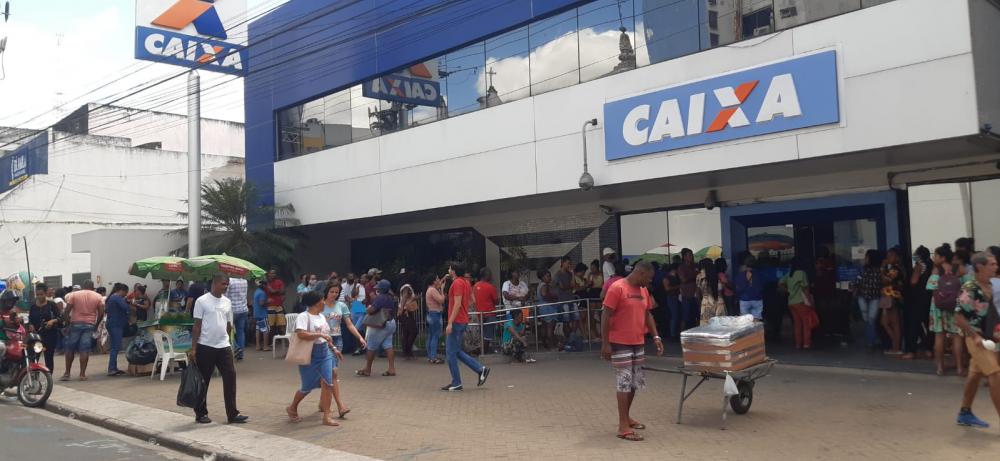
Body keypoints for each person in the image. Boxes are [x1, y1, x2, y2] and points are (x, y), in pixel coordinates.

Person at [601, 261, 664, 442]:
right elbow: (606, 315)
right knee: (624, 383)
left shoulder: (643, 291)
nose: (650, 282)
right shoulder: (617, 288)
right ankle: (623, 427)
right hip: (620, 343)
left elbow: (647, 314)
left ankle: (626, 418)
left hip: (638, 342)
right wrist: (606, 344)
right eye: (649, 278)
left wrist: (656, 336)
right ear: (640, 273)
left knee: (634, 383)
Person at [190, 274, 247, 425]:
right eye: (223, 284)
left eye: (227, 284)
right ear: (214, 283)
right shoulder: (202, 301)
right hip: (205, 346)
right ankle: (201, 413)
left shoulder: (227, 302)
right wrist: (194, 348)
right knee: (204, 381)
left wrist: (227, 341)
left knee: (230, 377)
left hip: (223, 346)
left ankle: (232, 414)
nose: (226, 286)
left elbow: (229, 324)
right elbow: (197, 326)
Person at [286, 290, 346, 427]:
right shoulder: (303, 316)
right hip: (310, 354)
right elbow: (301, 334)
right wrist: (319, 335)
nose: (324, 303)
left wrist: (334, 348)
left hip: (325, 353)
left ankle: (327, 416)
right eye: (322, 300)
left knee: (328, 383)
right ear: (316, 303)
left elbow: (327, 336)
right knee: (307, 386)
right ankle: (292, 407)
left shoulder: (321, 317)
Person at [954, 252, 1000, 429]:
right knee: (995, 374)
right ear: (980, 267)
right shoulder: (970, 288)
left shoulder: (990, 286)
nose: (996, 267)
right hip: (975, 338)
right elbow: (958, 317)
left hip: (988, 337)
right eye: (992, 264)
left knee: (975, 375)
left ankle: (965, 413)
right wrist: (975, 336)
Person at [442, 263, 490, 391]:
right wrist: (464, 308)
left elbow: (457, 303)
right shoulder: (466, 282)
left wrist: (450, 322)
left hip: (457, 321)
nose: (448, 270)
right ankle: (480, 369)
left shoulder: (457, 283)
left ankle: (456, 382)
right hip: (462, 319)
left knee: (450, 353)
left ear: (454, 271)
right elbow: (472, 300)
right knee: (456, 351)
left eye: (450, 268)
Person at [927, 243, 965, 375]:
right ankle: (960, 368)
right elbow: (966, 285)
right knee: (957, 336)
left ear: (943, 258)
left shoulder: (936, 270)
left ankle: (940, 368)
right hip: (955, 306)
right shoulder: (959, 269)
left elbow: (931, 288)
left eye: (936, 256)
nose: (934, 258)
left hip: (938, 307)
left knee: (939, 336)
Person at [62, 280, 105, 381]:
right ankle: (82, 374)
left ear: (83, 286)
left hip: (75, 324)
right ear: (92, 287)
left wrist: (67, 325)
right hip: (89, 325)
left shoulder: (74, 295)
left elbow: (67, 311)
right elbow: (101, 313)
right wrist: (96, 324)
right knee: (84, 350)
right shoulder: (98, 296)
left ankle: (67, 373)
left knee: (70, 349)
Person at [357, 279, 397, 377]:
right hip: (391, 322)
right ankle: (391, 369)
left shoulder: (380, 298)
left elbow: (371, 310)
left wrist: (367, 309)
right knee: (388, 345)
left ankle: (367, 369)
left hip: (380, 324)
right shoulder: (390, 297)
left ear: (380, 289)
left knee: (371, 347)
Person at [902, 246, 933, 360]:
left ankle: (911, 351)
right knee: (929, 325)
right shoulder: (931, 266)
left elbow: (913, 281)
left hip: (917, 300)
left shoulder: (920, 266)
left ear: (919, 256)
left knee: (914, 325)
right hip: (929, 299)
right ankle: (929, 350)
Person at [780, 258, 814, 349]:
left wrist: (788, 291)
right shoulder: (802, 273)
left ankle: (798, 344)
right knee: (806, 323)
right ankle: (806, 344)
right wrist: (809, 301)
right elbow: (805, 288)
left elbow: (780, 283)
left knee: (797, 324)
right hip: (801, 301)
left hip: (791, 302)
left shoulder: (789, 274)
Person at [322, 284, 366, 352]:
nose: (334, 294)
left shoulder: (342, 305)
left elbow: (350, 325)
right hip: (322, 338)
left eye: (336, 292)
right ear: (326, 292)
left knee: (335, 359)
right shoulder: (319, 304)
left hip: (337, 338)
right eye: (331, 292)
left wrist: (360, 337)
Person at [854, 250, 883, 351]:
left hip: (873, 298)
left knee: (870, 319)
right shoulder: (863, 269)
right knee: (868, 320)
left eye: (866, 257)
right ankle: (874, 340)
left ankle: (871, 342)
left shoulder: (879, 270)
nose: (865, 259)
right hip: (864, 297)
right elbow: (857, 281)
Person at [27, 283, 60, 370]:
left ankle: (49, 376)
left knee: (48, 358)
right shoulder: (33, 306)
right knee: (34, 357)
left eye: (41, 294)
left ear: (45, 294)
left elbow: (60, 318)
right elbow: (30, 319)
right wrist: (30, 325)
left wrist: (52, 321)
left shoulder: (51, 305)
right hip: (37, 336)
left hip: (50, 336)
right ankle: (34, 375)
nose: (39, 296)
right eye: (37, 295)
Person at [881, 247, 905, 355]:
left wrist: (882, 268)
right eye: (887, 256)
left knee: (895, 323)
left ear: (897, 257)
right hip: (888, 296)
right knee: (885, 322)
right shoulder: (893, 268)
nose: (888, 258)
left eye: (890, 256)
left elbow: (886, 280)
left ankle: (896, 347)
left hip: (893, 297)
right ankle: (896, 344)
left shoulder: (896, 268)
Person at [105, 283, 131, 376]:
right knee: (115, 347)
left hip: (112, 323)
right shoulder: (117, 298)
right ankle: (112, 368)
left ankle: (113, 367)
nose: (126, 295)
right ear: (122, 291)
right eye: (126, 292)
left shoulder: (112, 297)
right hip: (116, 324)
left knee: (114, 347)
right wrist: (128, 303)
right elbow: (126, 307)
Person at [474, 267, 499, 353]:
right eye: (490, 274)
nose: (491, 276)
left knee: (483, 334)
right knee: (488, 336)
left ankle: (482, 351)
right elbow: (496, 301)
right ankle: (484, 352)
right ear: (487, 275)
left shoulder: (475, 286)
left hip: (479, 314)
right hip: (490, 313)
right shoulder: (491, 287)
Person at [697, 259, 727, 325]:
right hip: (719, 301)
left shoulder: (699, 276)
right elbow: (721, 288)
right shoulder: (717, 274)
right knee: (720, 325)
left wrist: (699, 302)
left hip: (706, 303)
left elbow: (698, 291)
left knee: (706, 326)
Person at [226, 277, 250, 361]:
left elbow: (225, 295)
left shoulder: (229, 281)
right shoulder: (245, 281)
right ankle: (240, 354)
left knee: (226, 330)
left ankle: (236, 348)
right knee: (240, 332)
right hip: (243, 309)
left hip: (232, 310)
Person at [735, 255, 764, 321]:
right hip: (757, 299)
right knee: (756, 321)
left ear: (745, 264)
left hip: (744, 300)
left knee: (745, 322)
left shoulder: (740, 275)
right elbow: (762, 287)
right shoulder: (760, 274)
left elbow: (738, 289)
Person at [425, 274, 446, 364]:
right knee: (435, 336)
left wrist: (443, 279)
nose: (438, 280)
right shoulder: (433, 290)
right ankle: (433, 357)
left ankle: (430, 356)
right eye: (437, 279)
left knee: (431, 335)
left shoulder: (429, 289)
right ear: (433, 281)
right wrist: (442, 290)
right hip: (435, 314)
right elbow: (441, 300)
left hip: (431, 313)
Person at [536, 270, 558, 350]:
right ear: (543, 277)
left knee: (544, 326)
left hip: (543, 307)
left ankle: (545, 344)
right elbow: (544, 295)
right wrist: (553, 297)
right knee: (550, 327)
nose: (550, 278)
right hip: (548, 307)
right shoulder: (544, 285)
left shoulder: (540, 285)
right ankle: (551, 346)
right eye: (548, 276)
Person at [677, 248, 699, 330]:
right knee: (685, 316)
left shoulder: (695, 265)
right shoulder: (681, 267)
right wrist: (695, 275)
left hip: (696, 294)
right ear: (684, 257)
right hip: (686, 295)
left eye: (692, 255)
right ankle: (682, 333)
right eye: (689, 255)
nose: (691, 257)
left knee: (697, 315)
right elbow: (683, 279)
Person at [265, 269, 287, 346]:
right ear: (268, 274)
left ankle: (284, 342)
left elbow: (283, 291)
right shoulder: (266, 283)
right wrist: (277, 291)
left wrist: (275, 291)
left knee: (282, 325)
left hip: (279, 306)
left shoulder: (279, 282)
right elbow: (272, 292)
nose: (273, 275)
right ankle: (271, 343)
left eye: (274, 273)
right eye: (271, 273)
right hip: (270, 306)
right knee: (271, 326)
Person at [397, 284, 420, 359]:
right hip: (405, 311)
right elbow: (404, 297)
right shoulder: (406, 287)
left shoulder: (407, 287)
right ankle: (407, 350)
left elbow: (407, 298)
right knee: (413, 331)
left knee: (406, 332)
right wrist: (401, 310)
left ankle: (407, 352)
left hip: (406, 311)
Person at [351, 274, 371, 355]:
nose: (361, 279)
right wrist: (355, 284)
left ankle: (359, 347)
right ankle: (362, 346)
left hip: (363, 307)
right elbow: (353, 295)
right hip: (356, 305)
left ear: (367, 279)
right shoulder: (358, 285)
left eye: (363, 278)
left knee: (356, 328)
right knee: (359, 329)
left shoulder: (368, 287)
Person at [252, 280, 271, 352]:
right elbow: (261, 303)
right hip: (262, 314)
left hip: (256, 314)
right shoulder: (262, 293)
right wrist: (268, 301)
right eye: (266, 285)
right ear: (263, 285)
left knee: (258, 330)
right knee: (266, 330)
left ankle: (258, 346)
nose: (266, 287)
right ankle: (265, 346)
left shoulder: (256, 291)